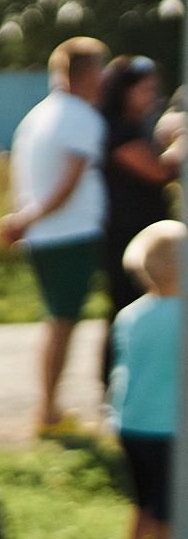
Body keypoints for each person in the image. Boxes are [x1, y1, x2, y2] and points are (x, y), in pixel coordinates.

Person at [0, 37, 110, 434]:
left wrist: (25, 220)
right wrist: (26, 219)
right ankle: (48, 412)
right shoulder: (81, 117)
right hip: (70, 234)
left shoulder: (39, 115)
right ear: (89, 72)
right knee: (63, 324)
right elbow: (66, 186)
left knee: (57, 323)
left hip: (47, 236)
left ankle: (50, 409)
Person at [96, 56, 185, 392]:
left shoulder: (132, 127)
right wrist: (180, 142)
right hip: (126, 236)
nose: (152, 96)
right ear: (125, 91)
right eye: (146, 89)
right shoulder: (118, 130)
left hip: (139, 233)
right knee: (126, 308)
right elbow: (158, 172)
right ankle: (113, 386)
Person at [110, 220, 180, 539]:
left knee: (143, 499)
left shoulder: (130, 315)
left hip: (130, 422)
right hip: (167, 427)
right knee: (169, 506)